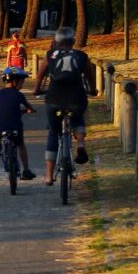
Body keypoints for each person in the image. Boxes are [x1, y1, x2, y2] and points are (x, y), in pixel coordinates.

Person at [32, 26, 97, 185]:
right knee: (78, 119)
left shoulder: (50, 55)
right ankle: (80, 144)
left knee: (54, 133)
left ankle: (48, 175)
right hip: (76, 96)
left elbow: (40, 76)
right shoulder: (82, 56)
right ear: (74, 41)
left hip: (54, 97)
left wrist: (37, 90)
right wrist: (93, 90)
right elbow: (90, 77)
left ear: (57, 42)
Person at [0, 67, 37, 180]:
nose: (22, 84)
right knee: (21, 145)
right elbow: (29, 107)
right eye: (21, 81)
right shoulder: (19, 95)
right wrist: (30, 110)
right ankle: (26, 170)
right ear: (14, 81)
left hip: (0, 124)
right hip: (15, 124)